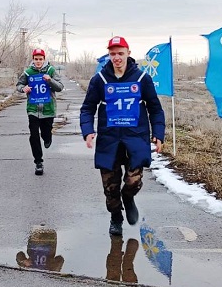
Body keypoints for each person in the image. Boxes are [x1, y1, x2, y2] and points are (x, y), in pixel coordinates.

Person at [79, 36, 165, 236]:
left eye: (120, 53)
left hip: (135, 138)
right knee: (110, 187)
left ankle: (128, 197)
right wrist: (88, 131)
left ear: (128, 53)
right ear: (108, 55)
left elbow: (155, 109)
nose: (116, 58)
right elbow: (87, 108)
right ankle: (116, 216)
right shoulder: (100, 80)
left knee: (133, 181)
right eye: (112, 54)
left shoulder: (142, 79)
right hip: (109, 140)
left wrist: (158, 134)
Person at [16, 48, 64, 175]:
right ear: (33, 59)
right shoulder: (28, 72)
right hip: (33, 109)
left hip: (48, 109)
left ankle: (47, 137)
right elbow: (19, 85)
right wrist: (23, 88)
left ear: (44, 59)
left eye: (40, 59)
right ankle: (38, 162)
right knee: (34, 135)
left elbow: (60, 87)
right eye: (36, 59)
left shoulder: (51, 71)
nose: (38, 61)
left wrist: (50, 80)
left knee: (45, 133)